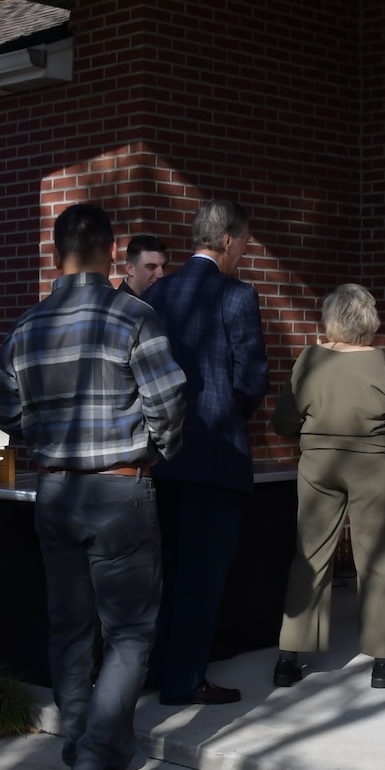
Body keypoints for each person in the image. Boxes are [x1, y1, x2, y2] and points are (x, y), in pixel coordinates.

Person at [0, 203, 187, 770]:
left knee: (71, 630)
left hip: (55, 491)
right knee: (128, 633)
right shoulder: (134, 316)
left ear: (56, 255)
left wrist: (51, 436)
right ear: (112, 255)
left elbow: (8, 414)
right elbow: (170, 396)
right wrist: (157, 449)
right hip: (119, 490)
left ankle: (79, 745)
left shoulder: (25, 328)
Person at [141, 198, 269, 705]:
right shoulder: (237, 295)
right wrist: (228, 415)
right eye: (244, 242)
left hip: (164, 456)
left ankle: (157, 668)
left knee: (169, 570)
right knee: (203, 574)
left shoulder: (157, 293)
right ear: (228, 240)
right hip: (216, 453)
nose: (245, 251)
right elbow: (252, 377)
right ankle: (184, 680)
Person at [271, 285, 385, 690]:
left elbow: (283, 421)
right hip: (371, 466)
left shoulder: (310, 358)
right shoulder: (383, 362)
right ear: (368, 320)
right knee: (374, 561)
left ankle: (288, 657)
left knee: (310, 553)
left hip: (318, 464)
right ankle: (381, 660)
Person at [119, 233, 168, 298]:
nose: (161, 274)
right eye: (151, 267)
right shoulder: (116, 305)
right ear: (130, 269)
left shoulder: (164, 300)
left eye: (163, 267)